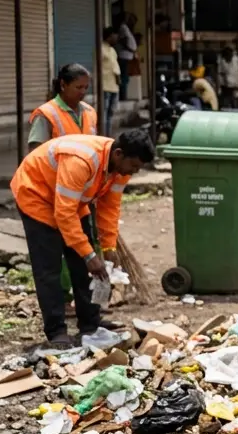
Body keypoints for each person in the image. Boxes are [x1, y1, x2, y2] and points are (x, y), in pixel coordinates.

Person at [11, 130, 155, 348]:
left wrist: (108, 247)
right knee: (48, 268)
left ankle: (90, 324)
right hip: (36, 195)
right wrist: (88, 255)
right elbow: (64, 215)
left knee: (87, 268)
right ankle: (57, 331)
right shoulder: (80, 161)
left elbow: (109, 208)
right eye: (134, 166)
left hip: (70, 202)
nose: (134, 172)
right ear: (118, 154)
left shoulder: (121, 169)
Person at [29, 64, 99, 151]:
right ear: (63, 85)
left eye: (86, 87)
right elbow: (36, 153)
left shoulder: (90, 111)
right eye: (79, 87)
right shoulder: (45, 114)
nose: (83, 92)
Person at [100, 27, 122, 133]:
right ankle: (104, 134)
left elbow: (115, 67)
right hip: (105, 86)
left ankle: (108, 134)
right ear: (110, 36)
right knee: (104, 113)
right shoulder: (100, 49)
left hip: (114, 86)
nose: (117, 38)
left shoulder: (112, 50)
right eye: (115, 35)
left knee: (111, 113)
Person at [117, 13, 137, 100]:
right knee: (124, 77)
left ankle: (124, 95)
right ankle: (123, 96)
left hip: (127, 56)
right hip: (124, 56)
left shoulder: (127, 28)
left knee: (125, 77)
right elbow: (123, 41)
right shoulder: (123, 27)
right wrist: (131, 49)